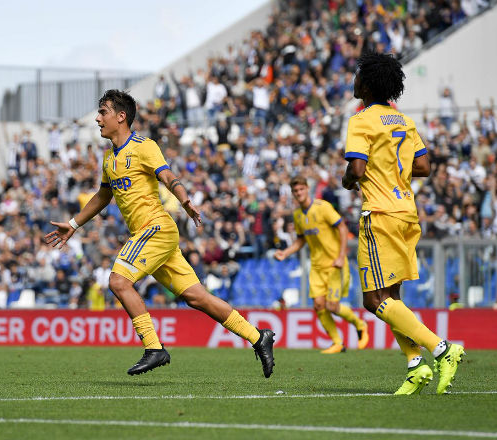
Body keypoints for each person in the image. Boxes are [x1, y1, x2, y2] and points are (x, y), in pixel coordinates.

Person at [45, 90, 275, 377]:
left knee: (118, 281)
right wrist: (74, 223)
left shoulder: (144, 146)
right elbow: (104, 196)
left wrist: (184, 199)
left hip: (155, 228)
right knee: (197, 297)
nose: (97, 118)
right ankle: (258, 337)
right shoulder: (109, 159)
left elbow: (167, 175)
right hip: (154, 237)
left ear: (121, 116)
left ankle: (154, 348)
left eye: (103, 112)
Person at [341, 53, 464, 395]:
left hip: (379, 214)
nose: (354, 80)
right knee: (392, 296)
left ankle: (441, 349)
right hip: (407, 212)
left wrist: (348, 180)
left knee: (372, 299)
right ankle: (414, 366)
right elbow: (423, 167)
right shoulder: (403, 121)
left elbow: (357, 170)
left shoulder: (361, 120)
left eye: (357, 75)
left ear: (367, 84)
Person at [274, 176, 369, 354]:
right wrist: (285, 253)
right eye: (295, 191)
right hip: (317, 266)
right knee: (318, 305)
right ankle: (337, 342)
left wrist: (341, 256)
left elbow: (342, 228)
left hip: (335, 264)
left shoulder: (323, 207)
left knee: (332, 306)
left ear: (307, 189)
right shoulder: (297, 215)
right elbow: (301, 240)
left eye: (301, 189)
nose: (298, 193)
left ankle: (359, 324)